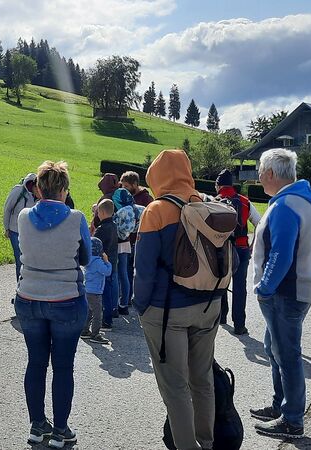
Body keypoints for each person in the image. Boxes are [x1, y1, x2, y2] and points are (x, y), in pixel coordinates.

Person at [134, 149, 221, 450]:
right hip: (209, 305)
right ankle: (206, 443)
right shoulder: (207, 203)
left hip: (167, 311)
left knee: (175, 387)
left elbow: (144, 270)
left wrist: (141, 306)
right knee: (203, 380)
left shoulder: (156, 210)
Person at [14, 160, 90, 449]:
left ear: (38, 189)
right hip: (66, 298)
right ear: (64, 190)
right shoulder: (76, 218)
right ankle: (60, 430)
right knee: (63, 367)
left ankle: (37, 425)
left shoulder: (24, 217)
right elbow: (85, 258)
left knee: (35, 362)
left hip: (29, 296)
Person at [249, 149, 311, 440]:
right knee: (274, 348)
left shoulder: (285, 205)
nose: (258, 177)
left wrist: (264, 288)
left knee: (287, 355)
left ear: (270, 173)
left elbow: (280, 254)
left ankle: (292, 420)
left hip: (284, 292)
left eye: (260, 171)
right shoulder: (300, 200)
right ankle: (281, 407)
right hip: (295, 289)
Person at [214, 169, 261, 336]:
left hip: (221, 249)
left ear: (218, 185)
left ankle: (222, 316)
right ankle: (239, 325)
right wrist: (253, 245)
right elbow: (260, 223)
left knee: (221, 283)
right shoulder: (245, 201)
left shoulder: (214, 202)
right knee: (240, 286)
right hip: (241, 248)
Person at [120, 170, 152, 305]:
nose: (124, 189)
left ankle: (133, 298)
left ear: (134, 184)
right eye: (122, 186)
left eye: (126, 186)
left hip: (139, 240)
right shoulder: (124, 196)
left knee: (134, 272)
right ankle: (125, 298)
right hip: (126, 240)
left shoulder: (146, 199)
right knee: (126, 271)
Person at [3, 173, 38, 282]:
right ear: (33, 185)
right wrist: (6, 228)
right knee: (20, 260)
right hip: (15, 230)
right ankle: (20, 286)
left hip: (31, 232)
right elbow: (7, 209)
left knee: (30, 260)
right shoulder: (18, 191)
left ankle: (28, 284)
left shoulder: (39, 195)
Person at [111, 187, 140, 316]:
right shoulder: (134, 209)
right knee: (124, 274)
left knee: (117, 274)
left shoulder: (122, 211)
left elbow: (116, 227)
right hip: (127, 243)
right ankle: (124, 303)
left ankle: (115, 304)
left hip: (118, 244)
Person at [93, 199, 119, 329]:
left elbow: (94, 245)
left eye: (97, 212)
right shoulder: (114, 226)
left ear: (102, 212)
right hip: (112, 262)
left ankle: (106, 319)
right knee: (110, 290)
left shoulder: (102, 229)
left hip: (102, 264)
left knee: (103, 293)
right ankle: (111, 314)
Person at [80, 237, 111, 345]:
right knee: (97, 314)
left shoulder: (88, 260)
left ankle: (84, 330)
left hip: (87, 290)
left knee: (89, 312)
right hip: (96, 291)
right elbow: (107, 272)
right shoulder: (98, 262)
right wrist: (107, 262)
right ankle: (95, 334)